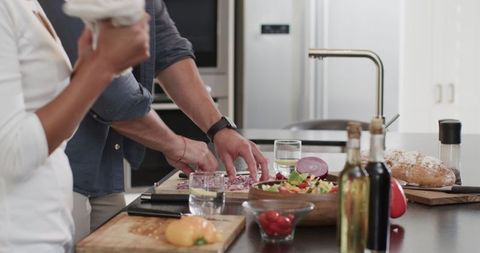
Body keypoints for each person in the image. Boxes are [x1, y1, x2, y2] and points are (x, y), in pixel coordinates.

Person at [39, 0, 270, 243]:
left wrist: (219, 128)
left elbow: (167, 49)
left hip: (105, 169)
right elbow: (109, 90)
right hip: (55, 172)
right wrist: (176, 145)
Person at [0, 0, 150, 252]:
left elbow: (54, 126)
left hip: (47, 231)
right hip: (17, 238)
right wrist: (102, 66)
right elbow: (11, 154)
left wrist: (89, 64)